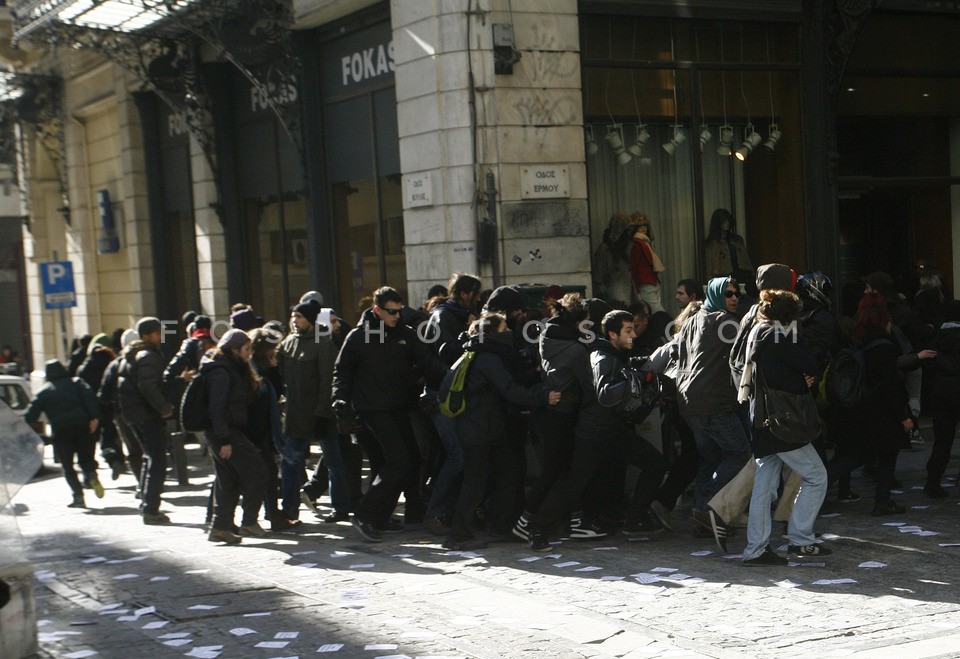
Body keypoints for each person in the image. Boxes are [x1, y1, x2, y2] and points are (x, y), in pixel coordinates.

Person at [332, 286, 444, 542]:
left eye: (399, 310)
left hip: (398, 407)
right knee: (398, 461)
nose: (396, 315)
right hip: (371, 410)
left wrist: (452, 376)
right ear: (377, 310)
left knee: (407, 461)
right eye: (391, 311)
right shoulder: (358, 337)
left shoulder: (405, 334)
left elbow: (427, 361)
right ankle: (365, 514)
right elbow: (342, 373)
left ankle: (381, 516)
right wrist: (339, 400)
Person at [443, 313, 560, 550]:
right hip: (479, 431)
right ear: (494, 333)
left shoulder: (479, 354)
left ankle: (500, 527)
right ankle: (458, 535)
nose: (509, 331)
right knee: (475, 482)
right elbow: (510, 390)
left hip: (486, 429)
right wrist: (542, 396)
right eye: (504, 327)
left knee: (509, 473)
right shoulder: (488, 358)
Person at [740, 290, 830, 566]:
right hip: (783, 421)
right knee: (817, 476)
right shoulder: (779, 336)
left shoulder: (757, 331)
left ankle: (756, 548)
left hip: (763, 418)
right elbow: (811, 363)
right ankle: (801, 538)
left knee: (764, 486)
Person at [513, 293, 592, 543]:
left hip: (547, 411)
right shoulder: (576, 349)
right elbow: (588, 386)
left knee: (564, 470)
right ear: (579, 322)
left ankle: (576, 520)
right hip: (563, 413)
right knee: (557, 471)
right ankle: (525, 521)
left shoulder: (546, 336)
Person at [675, 277, 752, 534]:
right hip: (712, 403)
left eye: (737, 294)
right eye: (729, 294)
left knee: (712, 458)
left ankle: (702, 518)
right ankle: (705, 507)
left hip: (689, 403)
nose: (734, 299)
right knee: (741, 454)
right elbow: (750, 351)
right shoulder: (724, 323)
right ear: (718, 295)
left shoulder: (693, 319)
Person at [827, 293, 913, 515]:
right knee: (884, 456)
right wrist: (903, 415)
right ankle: (882, 500)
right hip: (881, 411)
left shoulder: (858, 338)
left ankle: (814, 486)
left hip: (858, 408)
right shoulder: (885, 345)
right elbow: (890, 384)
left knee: (855, 455)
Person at [422, 273, 482, 535]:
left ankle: (450, 510)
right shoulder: (444, 316)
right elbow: (445, 352)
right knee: (457, 455)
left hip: (457, 394)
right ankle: (435, 512)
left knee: (462, 455)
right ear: (465, 293)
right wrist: (468, 333)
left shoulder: (455, 314)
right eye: (475, 294)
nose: (478, 299)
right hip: (443, 394)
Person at [200, 329, 269, 543]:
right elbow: (217, 408)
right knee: (258, 470)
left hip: (225, 431)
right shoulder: (222, 371)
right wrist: (225, 440)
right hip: (224, 432)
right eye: (246, 349)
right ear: (234, 349)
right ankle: (248, 521)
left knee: (228, 478)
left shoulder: (230, 367)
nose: (249, 354)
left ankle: (220, 527)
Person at [276, 300, 336, 525]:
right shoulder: (288, 343)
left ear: (310, 319)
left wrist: (323, 412)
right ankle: (289, 511)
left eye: (299, 317)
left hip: (320, 414)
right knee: (290, 463)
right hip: (295, 415)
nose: (294, 321)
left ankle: (340, 507)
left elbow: (327, 381)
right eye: (293, 316)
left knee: (333, 461)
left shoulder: (324, 343)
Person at [117, 317, 176, 525]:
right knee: (157, 461)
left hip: (134, 414)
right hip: (147, 415)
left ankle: (146, 503)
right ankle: (151, 508)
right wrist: (164, 408)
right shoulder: (148, 356)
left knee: (148, 458)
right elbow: (148, 386)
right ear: (145, 336)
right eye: (156, 333)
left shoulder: (131, 355)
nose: (160, 337)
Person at [24, 360, 101, 507]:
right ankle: (90, 473)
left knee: (67, 465)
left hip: (61, 430)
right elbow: (90, 398)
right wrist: (94, 417)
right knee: (86, 457)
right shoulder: (77, 383)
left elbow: (31, 415)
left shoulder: (44, 391)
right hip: (82, 425)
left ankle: (78, 496)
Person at [77, 333, 126, 480]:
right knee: (111, 435)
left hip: (92, 409)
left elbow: (81, 390)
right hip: (110, 405)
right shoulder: (112, 363)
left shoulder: (84, 368)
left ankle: (102, 463)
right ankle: (115, 458)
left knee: (94, 439)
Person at [98, 329, 143, 486]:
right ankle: (149, 484)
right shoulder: (144, 360)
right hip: (144, 411)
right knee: (148, 450)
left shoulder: (113, 366)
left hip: (122, 413)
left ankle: (142, 485)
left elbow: (103, 395)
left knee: (134, 450)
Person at [925, 299, 960, 497]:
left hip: (941, 390)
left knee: (942, 440)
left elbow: (929, 365)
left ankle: (933, 480)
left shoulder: (936, 336)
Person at [593, 211, 636, 305]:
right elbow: (599, 277)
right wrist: (603, 296)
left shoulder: (629, 245)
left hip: (628, 288)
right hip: (613, 291)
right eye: (627, 230)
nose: (629, 233)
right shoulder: (605, 248)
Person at [629, 212, 666, 313]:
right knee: (657, 311)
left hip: (651, 281)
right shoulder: (637, 243)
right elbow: (634, 267)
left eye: (645, 225)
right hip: (645, 282)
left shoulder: (644, 242)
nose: (643, 228)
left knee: (653, 311)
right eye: (640, 226)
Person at [705, 208, 753, 283]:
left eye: (728, 221)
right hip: (723, 278)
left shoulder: (736, 240)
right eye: (724, 221)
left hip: (742, 275)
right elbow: (710, 266)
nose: (727, 223)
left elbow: (745, 260)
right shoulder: (711, 244)